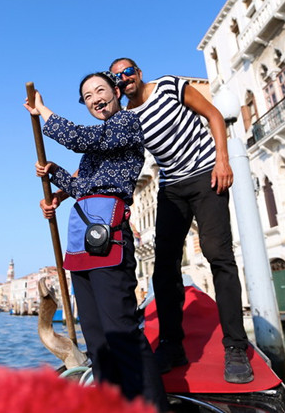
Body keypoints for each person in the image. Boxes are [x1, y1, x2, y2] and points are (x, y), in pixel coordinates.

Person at [25, 72, 169, 412]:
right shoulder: (96, 149)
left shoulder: (126, 124)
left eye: (100, 90)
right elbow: (83, 187)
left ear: (116, 92)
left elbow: (79, 138)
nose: (95, 99)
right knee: (96, 338)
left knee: (121, 331)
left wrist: (43, 111)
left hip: (110, 235)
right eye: (88, 96)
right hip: (82, 238)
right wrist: (54, 173)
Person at [108, 58, 254, 385]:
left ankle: (235, 347)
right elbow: (106, 156)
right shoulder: (127, 118)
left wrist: (222, 159)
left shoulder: (169, 86)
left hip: (206, 175)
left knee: (219, 256)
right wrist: (63, 188)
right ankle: (172, 345)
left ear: (138, 73)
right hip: (171, 187)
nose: (124, 78)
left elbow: (214, 114)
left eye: (127, 72)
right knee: (164, 267)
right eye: (117, 77)